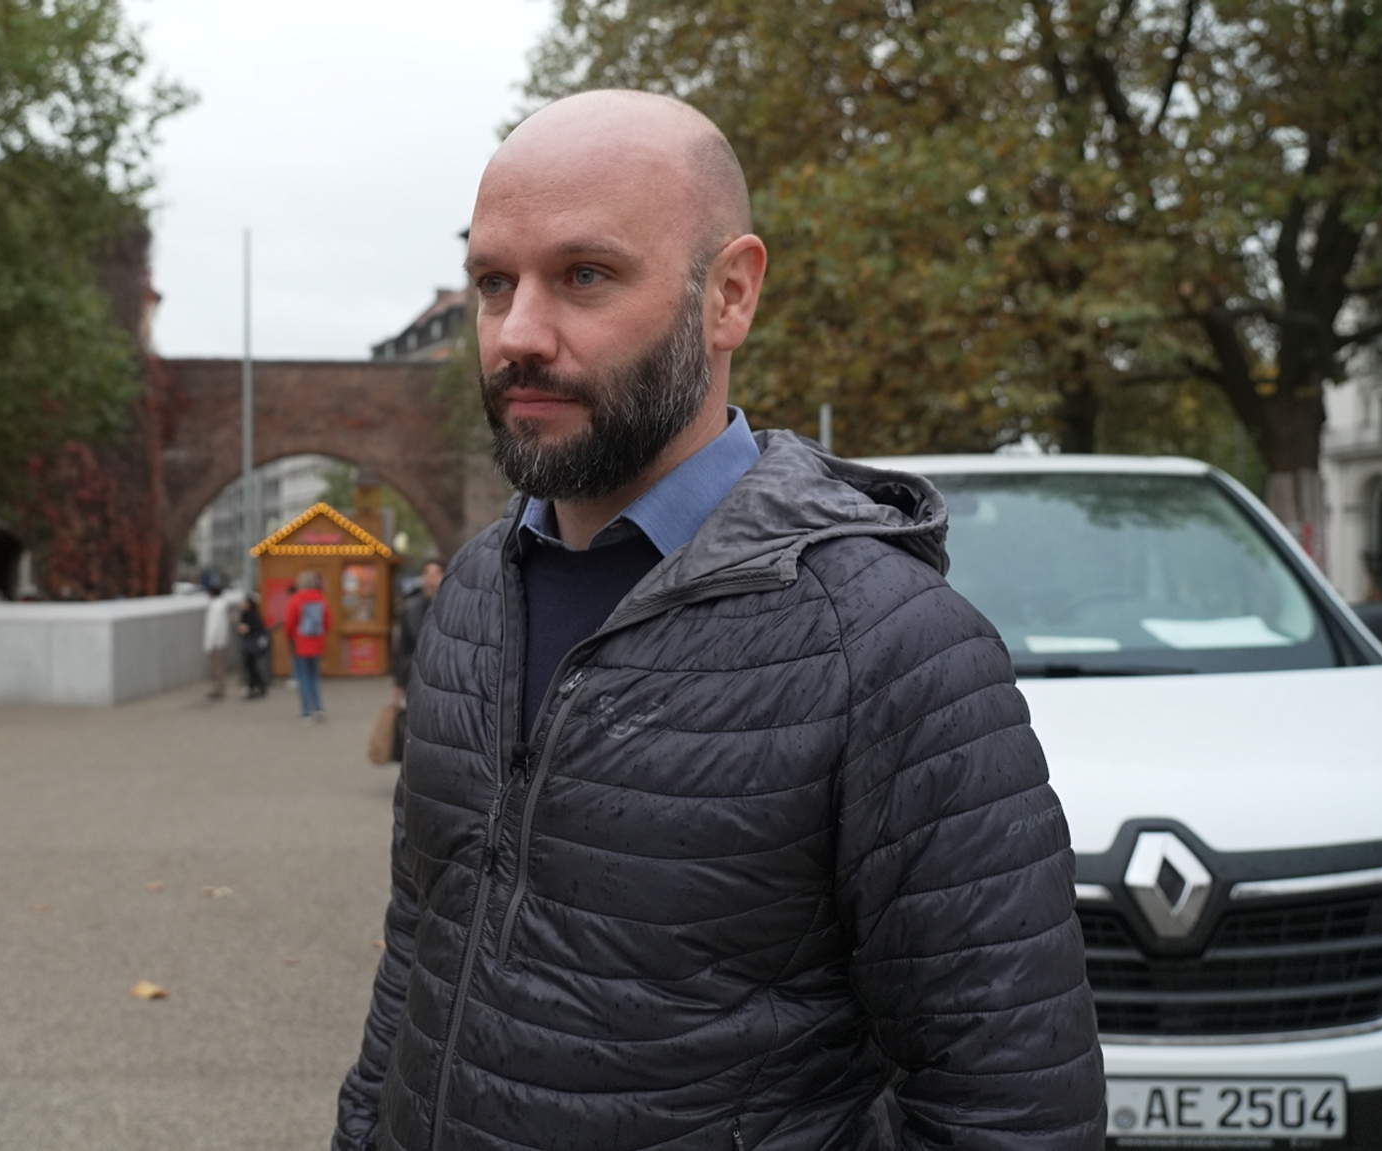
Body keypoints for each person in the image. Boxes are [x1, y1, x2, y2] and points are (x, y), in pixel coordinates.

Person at [332, 91, 1103, 1151]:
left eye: (584, 276)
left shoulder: (893, 649)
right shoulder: (470, 592)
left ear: (728, 295)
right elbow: (420, 951)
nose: (515, 334)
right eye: (492, 283)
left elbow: (1010, 1106)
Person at [390, 559, 445, 707]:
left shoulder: (452, 607)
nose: (432, 577)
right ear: (423, 577)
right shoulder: (410, 607)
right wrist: (398, 682)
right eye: (429, 573)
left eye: (436, 573)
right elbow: (402, 646)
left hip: (443, 673)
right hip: (415, 671)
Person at [283, 570, 329, 722]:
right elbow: (328, 622)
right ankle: (318, 708)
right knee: (314, 676)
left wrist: (289, 637)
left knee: (303, 677)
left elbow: (289, 622)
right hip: (317, 642)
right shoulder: (322, 599)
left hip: (300, 642)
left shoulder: (296, 599)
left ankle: (306, 712)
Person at [235, 591, 271, 699]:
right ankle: (259, 687)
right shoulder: (244, 614)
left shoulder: (253, 615)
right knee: (251, 667)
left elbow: (257, 628)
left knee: (252, 667)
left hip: (252, 644)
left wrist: (246, 628)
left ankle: (254, 688)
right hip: (248, 644)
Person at [201, 583, 230, 700]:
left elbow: (213, 627)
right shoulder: (221, 606)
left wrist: (209, 643)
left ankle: (218, 689)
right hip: (220, 641)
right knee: (218, 666)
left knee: (216, 667)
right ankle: (219, 688)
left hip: (215, 642)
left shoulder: (216, 607)